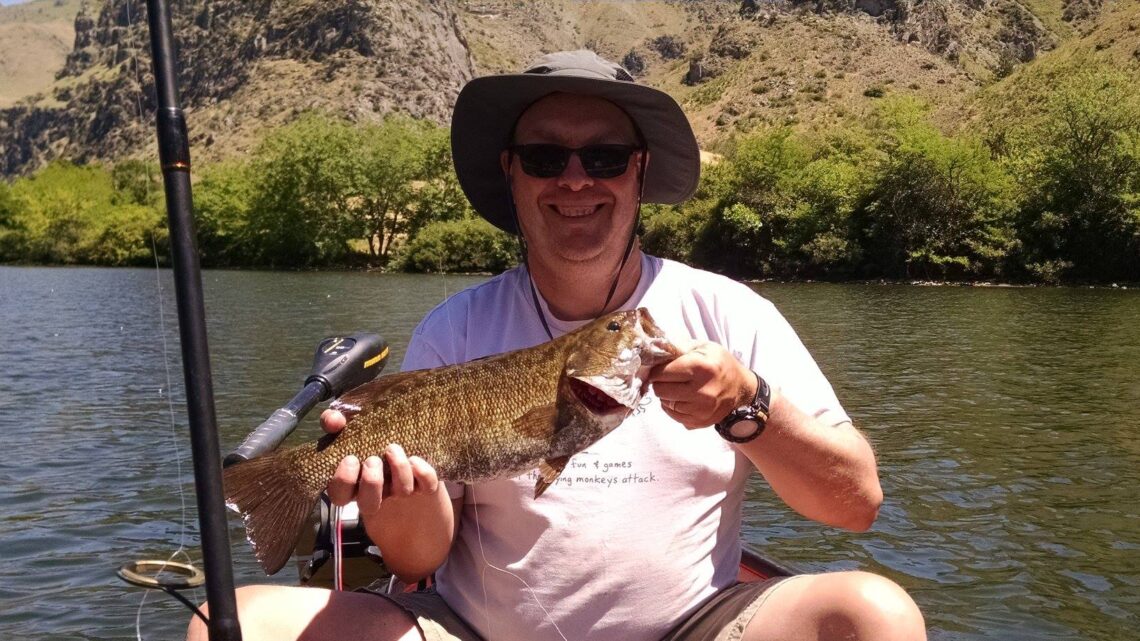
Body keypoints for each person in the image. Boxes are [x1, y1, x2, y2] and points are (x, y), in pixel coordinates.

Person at [189, 50, 925, 641]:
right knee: (228, 623)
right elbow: (418, 560)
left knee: (877, 616)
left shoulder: (727, 311)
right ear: (512, 174)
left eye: (603, 157)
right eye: (545, 157)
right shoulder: (458, 326)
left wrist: (747, 405)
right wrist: (397, 500)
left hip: (696, 628)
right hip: (475, 631)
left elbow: (857, 502)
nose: (575, 178)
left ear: (639, 171)